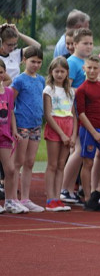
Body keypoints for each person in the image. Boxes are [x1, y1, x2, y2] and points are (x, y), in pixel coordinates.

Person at [76, 55, 100, 212]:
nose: (92, 71)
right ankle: (87, 198)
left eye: (95, 68)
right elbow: (81, 114)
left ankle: (96, 193)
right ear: (84, 69)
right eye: (89, 68)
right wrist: (93, 132)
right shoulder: (81, 89)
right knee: (88, 163)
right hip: (88, 131)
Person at [10, 46, 46, 212]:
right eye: (32, 61)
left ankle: (25, 198)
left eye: (39, 62)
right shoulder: (19, 80)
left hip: (36, 125)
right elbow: (11, 104)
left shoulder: (41, 80)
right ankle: (13, 198)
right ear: (24, 60)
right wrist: (14, 127)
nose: (36, 65)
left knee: (30, 162)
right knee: (18, 162)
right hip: (22, 125)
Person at [42, 57, 76, 212]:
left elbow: (73, 114)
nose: (60, 74)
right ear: (51, 72)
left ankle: (58, 198)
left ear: (67, 72)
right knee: (53, 164)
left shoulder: (71, 91)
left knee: (61, 164)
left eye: (63, 71)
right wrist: (62, 134)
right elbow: (48, 115)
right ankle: (50, 199)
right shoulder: (49, 90)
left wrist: (73, 135)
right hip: (56, 127)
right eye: (57, 71)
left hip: (68, 126)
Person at [0, 59, 19, 213]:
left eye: (1, 72)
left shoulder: (9, 92)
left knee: (11, 169)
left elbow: (11, 112)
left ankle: (9, 201)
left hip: (5, 136)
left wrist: (15, 130)